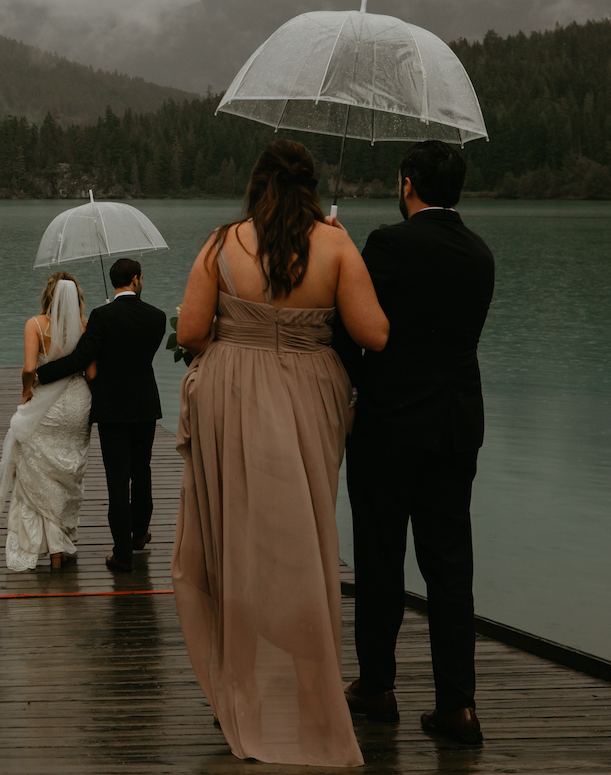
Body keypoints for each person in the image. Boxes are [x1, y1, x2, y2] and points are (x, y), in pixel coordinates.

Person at [171, 139, 389, 767]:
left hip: (231, 392)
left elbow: (188, 332)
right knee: (303, 534)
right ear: (311, 185)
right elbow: (373, 333)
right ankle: (314, 699)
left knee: (233, 538)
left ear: (257, 183)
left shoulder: (223, 242)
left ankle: (241, 702)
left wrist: (239, 328)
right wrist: (337, 252)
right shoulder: (336, 242)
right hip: (309, 394)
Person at [343, 140, 495, 748]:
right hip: (456, 428)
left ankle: (378, 686)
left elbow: (353, 323)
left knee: (381, 559)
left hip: (387, 427)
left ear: (408, 184)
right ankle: (457, 705)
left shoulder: (387, 245)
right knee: (451, 567)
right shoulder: (480, 254)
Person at [29, 257, 167, 573]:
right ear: (136, 279)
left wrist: (42, 374)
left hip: (112, 408)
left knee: (117, 479)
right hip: (146, 404)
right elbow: (140, 353)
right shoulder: (157, 317)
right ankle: (139, 532)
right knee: (142, 469)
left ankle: (122, 554)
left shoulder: (103, 316)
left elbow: (81, 357)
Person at [0, 273, 96, 572]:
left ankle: (47, 547)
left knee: (36, 470)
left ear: (48, 294)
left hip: (46, 405)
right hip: (78, 402)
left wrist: (27, 391)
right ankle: (59, 545)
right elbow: (91, 374)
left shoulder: (35, 324)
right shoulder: (85, 325)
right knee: (66, 471)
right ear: (76, 297)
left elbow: (30, 368)